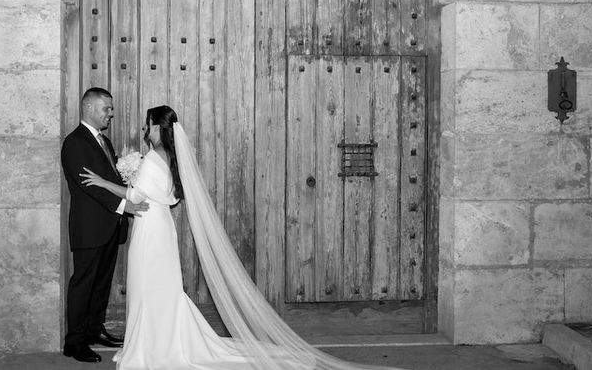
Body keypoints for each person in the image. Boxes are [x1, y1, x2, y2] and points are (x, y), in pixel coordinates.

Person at [80, 105, 404, 370]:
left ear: (156, 129)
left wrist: (102, 181)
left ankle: (150, 347)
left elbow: (135, 198)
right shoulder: (170, 160)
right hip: (162, 228)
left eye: (147, 126)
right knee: (161, 289)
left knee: (148, 287)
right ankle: (159, 340)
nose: (144, 130)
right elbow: (169, 198)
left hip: (150, 232)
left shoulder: (152, 159)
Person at [61, 87, 149, 363]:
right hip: (89, 227)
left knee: (101, 284)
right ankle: (74, 342)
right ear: (89, 108)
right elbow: (89, 186)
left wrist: (132, 189)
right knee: (83, 284)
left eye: (111, 109)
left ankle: (94, 330)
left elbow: (112, 180)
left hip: (110, 226)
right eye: (106, 108)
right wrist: (125, 206)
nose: (110, 114)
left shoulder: (105, 142)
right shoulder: (75, 143)